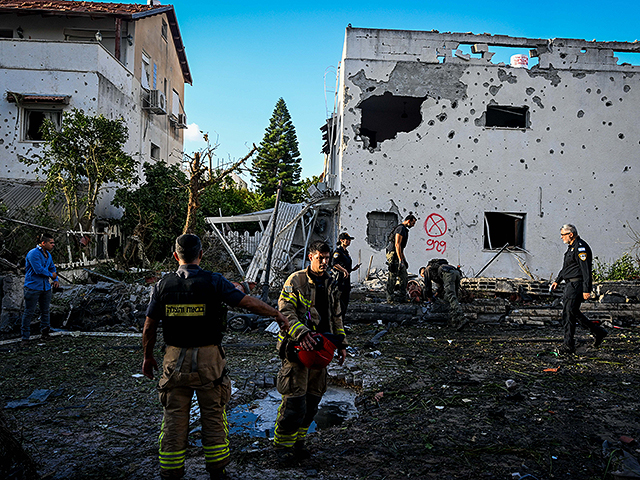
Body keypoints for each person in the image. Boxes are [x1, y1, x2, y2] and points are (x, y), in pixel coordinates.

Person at [142, 234, 289, 480]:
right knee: (213, 414)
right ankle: (217, 472)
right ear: (201, 255)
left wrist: (147, 356)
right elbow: (247, 303)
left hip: (173, 359)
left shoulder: (162, 285)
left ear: (176, 256)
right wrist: (276, 313)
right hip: (209, 360)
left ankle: (171, 472)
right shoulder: (214, 281)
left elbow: (149, 326)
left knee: (174, 416)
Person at [273, 240, 347, 464]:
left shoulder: (331, 282)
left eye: (327, 258)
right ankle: (282, 448)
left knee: (313, 401)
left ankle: (299, 444)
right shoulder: (296, 280)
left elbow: (336, 316)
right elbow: (286, 312)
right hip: (298, 349)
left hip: (321, 349)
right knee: (295, 403)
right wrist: (303, 335)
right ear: (310, 257)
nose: (324, 262)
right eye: (320, 258)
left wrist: (341, 344)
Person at [551, 224, 607, 354]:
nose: (561, 237)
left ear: (570, 234)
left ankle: (568, 345)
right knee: (573, 312)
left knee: (568, 314)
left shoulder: (581, 248)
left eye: (563, 235)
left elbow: (586, 270)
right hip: (569, 285)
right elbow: (567, 268)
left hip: (576, 285)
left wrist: (587, 289)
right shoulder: (571, 248)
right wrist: (557, 281)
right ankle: (598, 332)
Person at [21, 233, 59, 344]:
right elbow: (38, 270)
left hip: (45, 287)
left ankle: (45, 334)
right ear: (43, 243)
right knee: (29, 312)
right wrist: (52, 275)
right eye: (51, 243)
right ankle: (25, 338)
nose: (53, 245)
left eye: (53, 243)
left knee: (45, 311)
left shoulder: (48, 255)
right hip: (33, 287)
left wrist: (55, 280)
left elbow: (52, 267)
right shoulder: (33, 254)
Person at [420, 259, 467, 330]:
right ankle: (454, 322)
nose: (424, 277)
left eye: (422, 275)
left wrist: (429, 298)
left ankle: (461, 318)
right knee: (453, 298)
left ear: (422, 273)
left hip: (448, 274)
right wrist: (436, 294)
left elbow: (428, 286)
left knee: (451, 296)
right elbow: (440, 287)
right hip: (456, 273)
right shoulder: (436, 269)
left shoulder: (427, 270)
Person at [386, 214, 417, 303]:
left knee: (404, 276)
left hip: (398, 254)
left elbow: (401, 248)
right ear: (408, 221)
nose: (413, 225)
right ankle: (390, 298)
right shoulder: (400, 228)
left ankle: (402, 297)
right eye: (413, 223)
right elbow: (397, 244)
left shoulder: (404, 230)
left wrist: (403, 259)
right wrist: (400, 260)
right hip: (393, 254)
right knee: (392, 277)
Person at [332, 232, 360, 320]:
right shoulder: (338, 252)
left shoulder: (346, 252)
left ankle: (342, 324)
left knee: (345, 301)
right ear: (341, 240)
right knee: (339, 302)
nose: (348, 242)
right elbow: (334, 264)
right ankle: (337, 322)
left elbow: (346, 267)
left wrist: (352, 269)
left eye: (349, 240)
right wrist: (344, 270)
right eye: (347, 240)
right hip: (340, 280)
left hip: (346, 280)